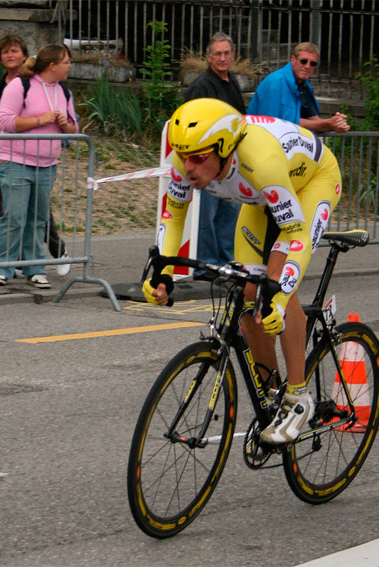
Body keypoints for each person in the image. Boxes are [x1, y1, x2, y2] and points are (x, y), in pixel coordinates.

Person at [144, 98, 342, 445]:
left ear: (223, 149)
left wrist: (280, 296)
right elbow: (172, 217)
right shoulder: (185, 157)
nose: (187, 166)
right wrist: (162, 274)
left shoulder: (259, 161)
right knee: (248, 295)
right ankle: (273, 393)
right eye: (183, 155)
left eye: (198, 158)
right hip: (261, 198)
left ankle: (298, 399)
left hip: (311, 183)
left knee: (274, 288)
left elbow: (296, 234)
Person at [0, 34, 71, 278]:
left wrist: (64, 124)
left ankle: (37, 264)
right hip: (11, 158)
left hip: (45, 164)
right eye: (4, 52)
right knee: (13, 215)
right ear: (52, 64)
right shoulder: (10, 86)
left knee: (38, 218)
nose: (9, 55)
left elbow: (73, 127)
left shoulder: (61, 90)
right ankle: (6, 266)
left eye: (14, 51)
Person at [183, 32, 245, 278]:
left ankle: (228, 262)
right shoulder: (201, 86)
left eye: (226, 53)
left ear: (233, 55)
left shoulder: (232, 81)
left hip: (229, 163)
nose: (222, 58)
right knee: (206, 216)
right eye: (217, 54)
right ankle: (206, 265)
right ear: (208, 57)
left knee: (229, 214)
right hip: (207, 163)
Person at [247, 42, 350, 134]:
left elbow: (314, 120)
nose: (307, 66)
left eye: (312, 63)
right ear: (293, 60)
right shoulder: (276, 82)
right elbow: (279, 122)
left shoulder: (304, 85)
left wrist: (335, 123)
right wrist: (328, 124)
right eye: (303, 61)